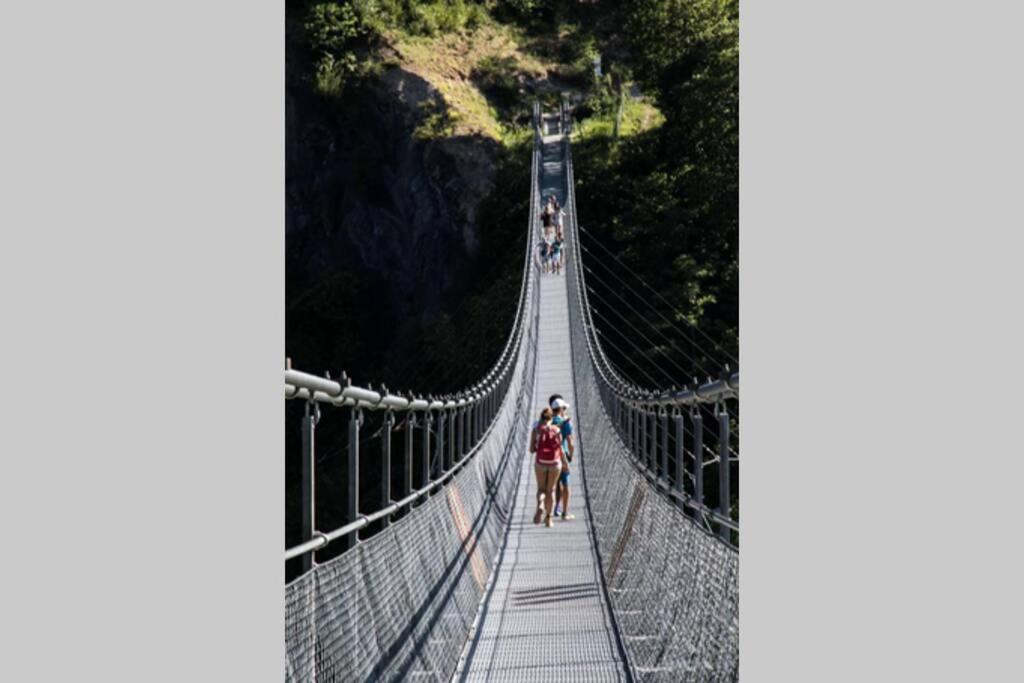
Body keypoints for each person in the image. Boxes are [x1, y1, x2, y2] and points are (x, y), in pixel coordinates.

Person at [530, 407, 566, 528]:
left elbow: (531, 450)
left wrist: (537, 447)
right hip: (555, 463)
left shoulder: (536, 430)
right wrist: (565, 463)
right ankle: (549, 519)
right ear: (552, 418)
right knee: (551, 490)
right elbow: (560, 450)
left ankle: (540, 505)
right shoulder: (557, 430)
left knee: (541, 489)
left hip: (540, 462)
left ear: (541, 417)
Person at [549, 395, 575, 520]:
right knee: (566, 484)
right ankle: (565, 512)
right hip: (561, 455)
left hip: (548, 458)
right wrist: (570, 456)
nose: (565, 410)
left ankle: (552, 510)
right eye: (564, 408)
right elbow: (571, 442)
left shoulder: (547, 422)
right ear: (560, 409)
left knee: (553, 485)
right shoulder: (566, 423)